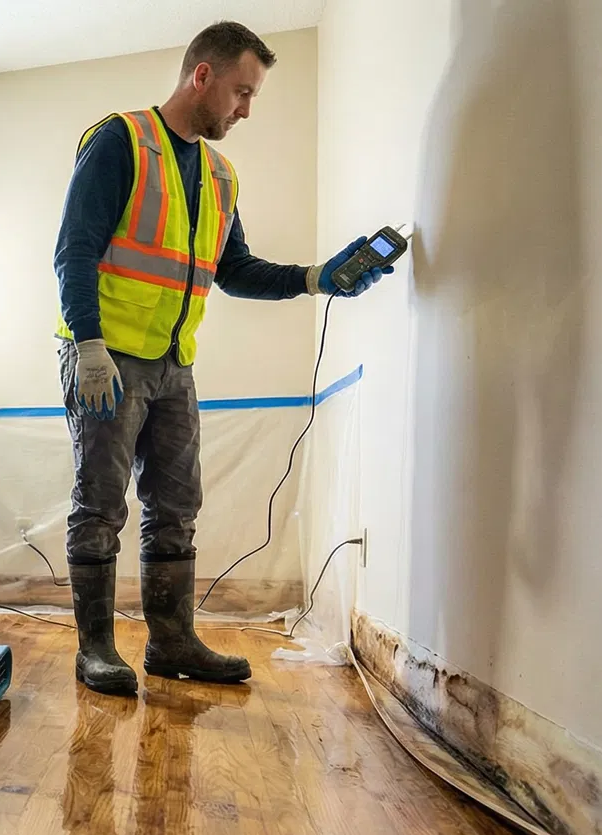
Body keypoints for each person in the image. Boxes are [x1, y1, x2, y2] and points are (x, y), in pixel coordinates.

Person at [53, 20, 391, 695]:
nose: (245, 108)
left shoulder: (219, 173)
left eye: (253, 95)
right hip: (107, 359)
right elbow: (76, 249)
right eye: (241, 91)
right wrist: (88, 345)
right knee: (100, 505)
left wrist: (318, 276)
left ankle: (171, 641)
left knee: (176, 503)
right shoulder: (122, 140)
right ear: (200, 76)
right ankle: (95, 649)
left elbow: (233, 269)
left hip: (174, 364)